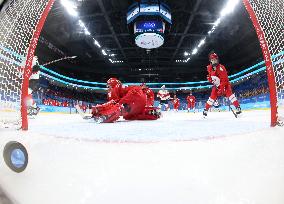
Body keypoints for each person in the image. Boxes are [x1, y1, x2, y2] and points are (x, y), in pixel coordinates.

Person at [91, 78, 161, 123]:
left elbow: (114, 102)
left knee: (120, 107)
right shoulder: (121, 87)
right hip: (139, 100)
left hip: (135, 94)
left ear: (111, 84)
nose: (108, 88)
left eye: (108, 86)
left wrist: (100, 109)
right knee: (128, 116)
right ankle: (149, 112)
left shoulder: (115, 88)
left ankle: (106, 115)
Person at [203, 52, 241, 117]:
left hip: (225, 85)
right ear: (210, 61)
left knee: (230, 95)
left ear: (217, 60)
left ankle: (238, 108)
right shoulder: (209, 68)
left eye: (215, 59)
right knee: (211, 98)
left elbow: (224, 80)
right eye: (212, 60)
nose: (214, 61)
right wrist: (210, 79)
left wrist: (222, 88)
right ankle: (205, 110)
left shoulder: (221, 68)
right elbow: (211, 77)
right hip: (216, 86)